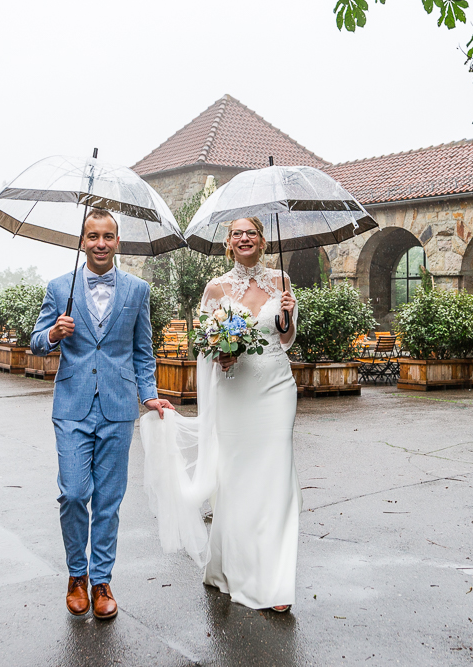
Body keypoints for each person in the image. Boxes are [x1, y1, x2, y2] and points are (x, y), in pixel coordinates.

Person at [140, 216, 299, 613]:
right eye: (237, 234)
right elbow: (203, 346)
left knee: (277, 476)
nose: (245, 238)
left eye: (252, 233)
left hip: (276, 387)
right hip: (234, 392)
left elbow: (285, 338)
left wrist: (288, 315)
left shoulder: (281, 281)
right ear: (229, 243)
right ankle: (234, 568)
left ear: (263, 241)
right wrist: (220, 352)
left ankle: (274, 579)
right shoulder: (216, 288)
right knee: (238, 479)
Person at [31, 208, 175, 620]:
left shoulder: (137, 290)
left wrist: (148, 395)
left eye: (107, 236)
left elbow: (142, 352)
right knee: (74, 493)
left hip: (117, 406)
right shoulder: (61, 287)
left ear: (117, 241)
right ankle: (76, 575)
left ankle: (100, 582)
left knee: (109, 502)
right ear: (82, 241)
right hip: (72, 406)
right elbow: (37, 341)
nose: (99, 243)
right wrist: (53, 334)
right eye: (92, 236)